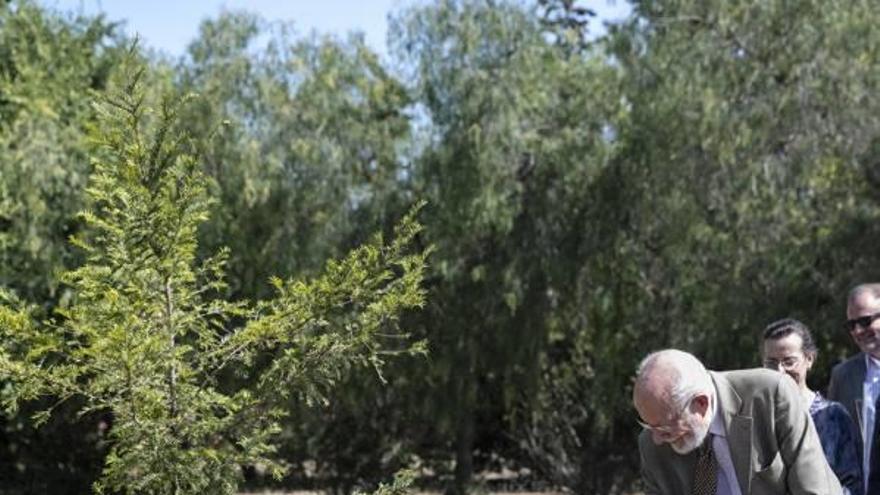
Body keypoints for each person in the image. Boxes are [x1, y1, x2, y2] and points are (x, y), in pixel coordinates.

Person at [634, 349, 842, 495]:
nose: (657, 438)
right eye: (648, 425)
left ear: (701, 403)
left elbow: (815, 488)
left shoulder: (771, 396)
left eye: (664, 428)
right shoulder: (651, 445)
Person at [762, 318, 862, 495]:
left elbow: (852, 484)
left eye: (788, 361)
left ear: (809, 359)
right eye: (771, 363)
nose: (779, 372)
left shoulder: (833, 417)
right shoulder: (757, 418)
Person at [829, 283, 880, 495]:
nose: (858, 331)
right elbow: (835, 443)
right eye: (852, 325)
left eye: (865, 321)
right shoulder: (843, 376)